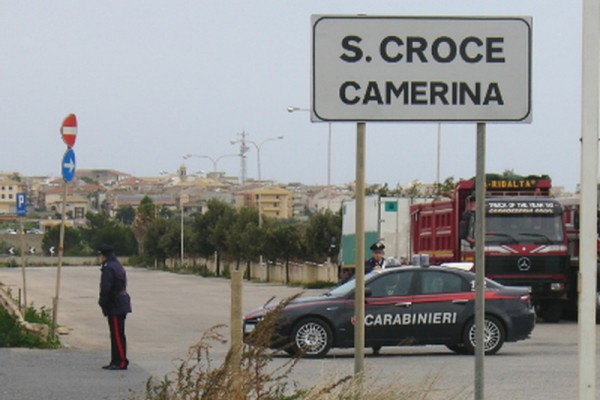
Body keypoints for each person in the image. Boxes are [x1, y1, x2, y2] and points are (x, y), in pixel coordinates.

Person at [98, 244, 132, 370]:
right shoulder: (116, 264)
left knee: (117, 334)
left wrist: (103, 302)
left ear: (103, 255)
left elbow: (106, 288)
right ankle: (115, 361)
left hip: (115, 304)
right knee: (116, 334)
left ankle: (122, 361)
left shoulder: (109, 267)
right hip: (120, 302)